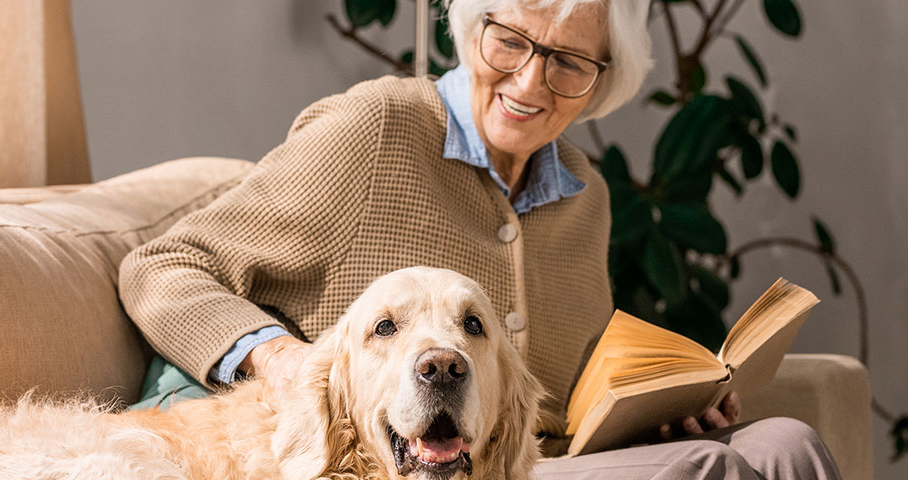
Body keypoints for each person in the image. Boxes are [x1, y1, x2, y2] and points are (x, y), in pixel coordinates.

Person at [119, 0, 840, 477]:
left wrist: (669, 410)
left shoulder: (586, 197)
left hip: (537, 458)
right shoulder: (376, 132)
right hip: (420, 464)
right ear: (472, 29)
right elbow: (164, 267)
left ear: (600, 80)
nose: (531, 79)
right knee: (703, 472)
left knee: (786, 445)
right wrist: (280, 362)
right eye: (512, 41)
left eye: (568, 61)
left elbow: (561, 402)